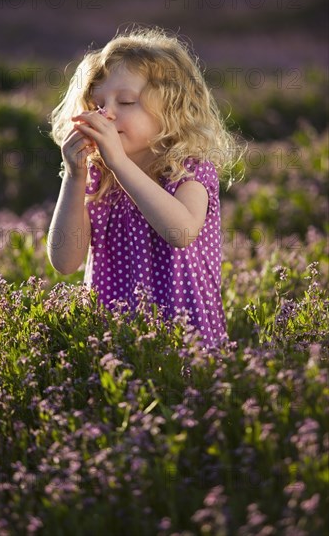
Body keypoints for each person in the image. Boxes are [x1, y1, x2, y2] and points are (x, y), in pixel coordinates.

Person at [47, 25, 242, 348]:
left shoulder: (188, 171)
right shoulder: (99, 178)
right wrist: (74, 176)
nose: (106, 113)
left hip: (184, 338)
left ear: (172, 111)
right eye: (97, 104)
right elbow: (65, 262)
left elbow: (180, 232)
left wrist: (120, 164)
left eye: (125, 102)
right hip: (113, 338)